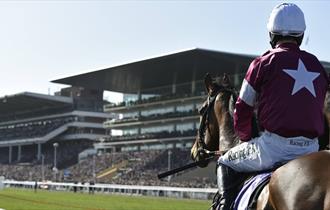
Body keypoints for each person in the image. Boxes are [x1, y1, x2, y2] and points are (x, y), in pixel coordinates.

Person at [216, 3, 329, 210]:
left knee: (224, 161)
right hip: (311, 149)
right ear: (301, 35)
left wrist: (246, 138)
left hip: (272, 148)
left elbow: (242, 109)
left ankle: (223, 206)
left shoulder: (262, 63)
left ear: (272, 34)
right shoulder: (317, 66)